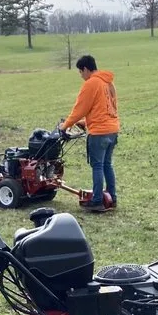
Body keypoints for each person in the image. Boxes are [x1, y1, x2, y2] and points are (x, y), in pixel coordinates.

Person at [60, 54, 119, 213]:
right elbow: (107, 109)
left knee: (97, 166)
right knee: (107, 164)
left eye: (81, 72)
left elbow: (80, 109)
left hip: (99, 133)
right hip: (112, 130)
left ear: (85, 69)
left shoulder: (91, 83)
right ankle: (112, 198)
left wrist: (65, 126)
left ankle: (97, 201)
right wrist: (85, 123)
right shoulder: (108, 83)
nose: (81, 76)